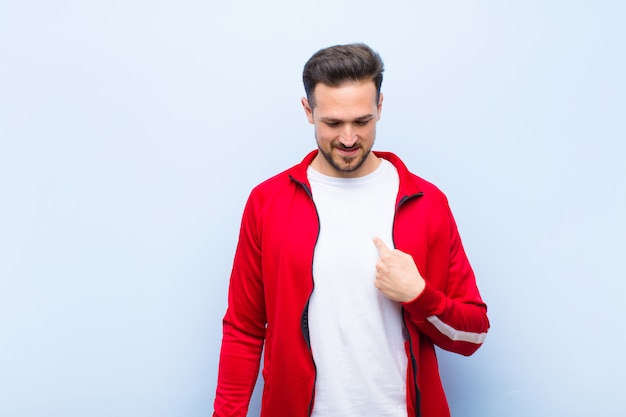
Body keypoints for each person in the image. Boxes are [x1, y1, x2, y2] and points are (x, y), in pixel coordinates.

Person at [213, 43, 489, 417]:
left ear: (379, 108)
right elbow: (244, 330)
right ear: (308, 111)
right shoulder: (268, 203)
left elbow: (473, 333)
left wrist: (420, 295)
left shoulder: (425, 202)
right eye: (332, 123)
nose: (347, 138)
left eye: (361, 121)